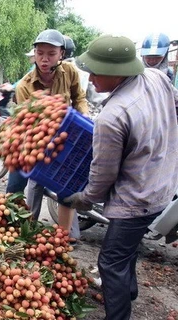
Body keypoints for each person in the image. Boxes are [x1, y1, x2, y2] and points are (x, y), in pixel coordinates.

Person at [65, 34, 178, 320]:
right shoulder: (155, 77)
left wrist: (85, 199)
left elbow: (104, 174)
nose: (90, 79)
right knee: (125, 250)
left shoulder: (112, 116)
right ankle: (129, 293)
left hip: (137, 197)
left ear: (117, 74)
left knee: (111, 261)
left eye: (96, 72)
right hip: (163, 183)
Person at [6, 29, 88, 236]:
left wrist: (83, 118)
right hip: (30, 137)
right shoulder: (25, 85)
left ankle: (66, 235)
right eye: (40, 53)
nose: (44, 59)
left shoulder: (69, 72)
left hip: (65, 134)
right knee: (17, 182)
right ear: (34, 53)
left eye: (51, 54)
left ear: (61, 54)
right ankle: (16, 226)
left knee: (67, 185)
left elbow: (79, 98)